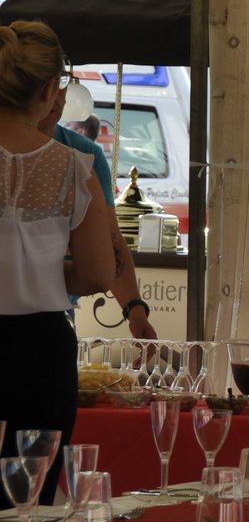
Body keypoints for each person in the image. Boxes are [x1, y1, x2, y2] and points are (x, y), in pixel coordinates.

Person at [0, 21, 115, 504]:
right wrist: (41, 272)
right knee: (27, 503)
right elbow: (97, 274)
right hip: (38, 352)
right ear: (49, 90)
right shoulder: (73, 168)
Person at [46, 83, 157, 340]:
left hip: (56, 315)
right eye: (43, 84)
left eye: (59, 83)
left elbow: (110, 242)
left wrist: (134, 309)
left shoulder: (85, 154)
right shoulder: (77, 160)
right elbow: (100, 265)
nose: (54, 95)